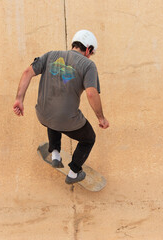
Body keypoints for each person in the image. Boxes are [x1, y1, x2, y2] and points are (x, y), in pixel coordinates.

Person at [13, 30, 109, 184]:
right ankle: (74, 172)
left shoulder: (50, 55)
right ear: (88, 49)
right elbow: (91, 94)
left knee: (53, 113)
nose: (90, 56)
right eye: (91, 53)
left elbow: (27, 72)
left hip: (42, 115)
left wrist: (19, 99)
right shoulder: (88, 65)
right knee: (89, 138)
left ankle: (56, 154)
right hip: (66, 121)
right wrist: (101, 117)